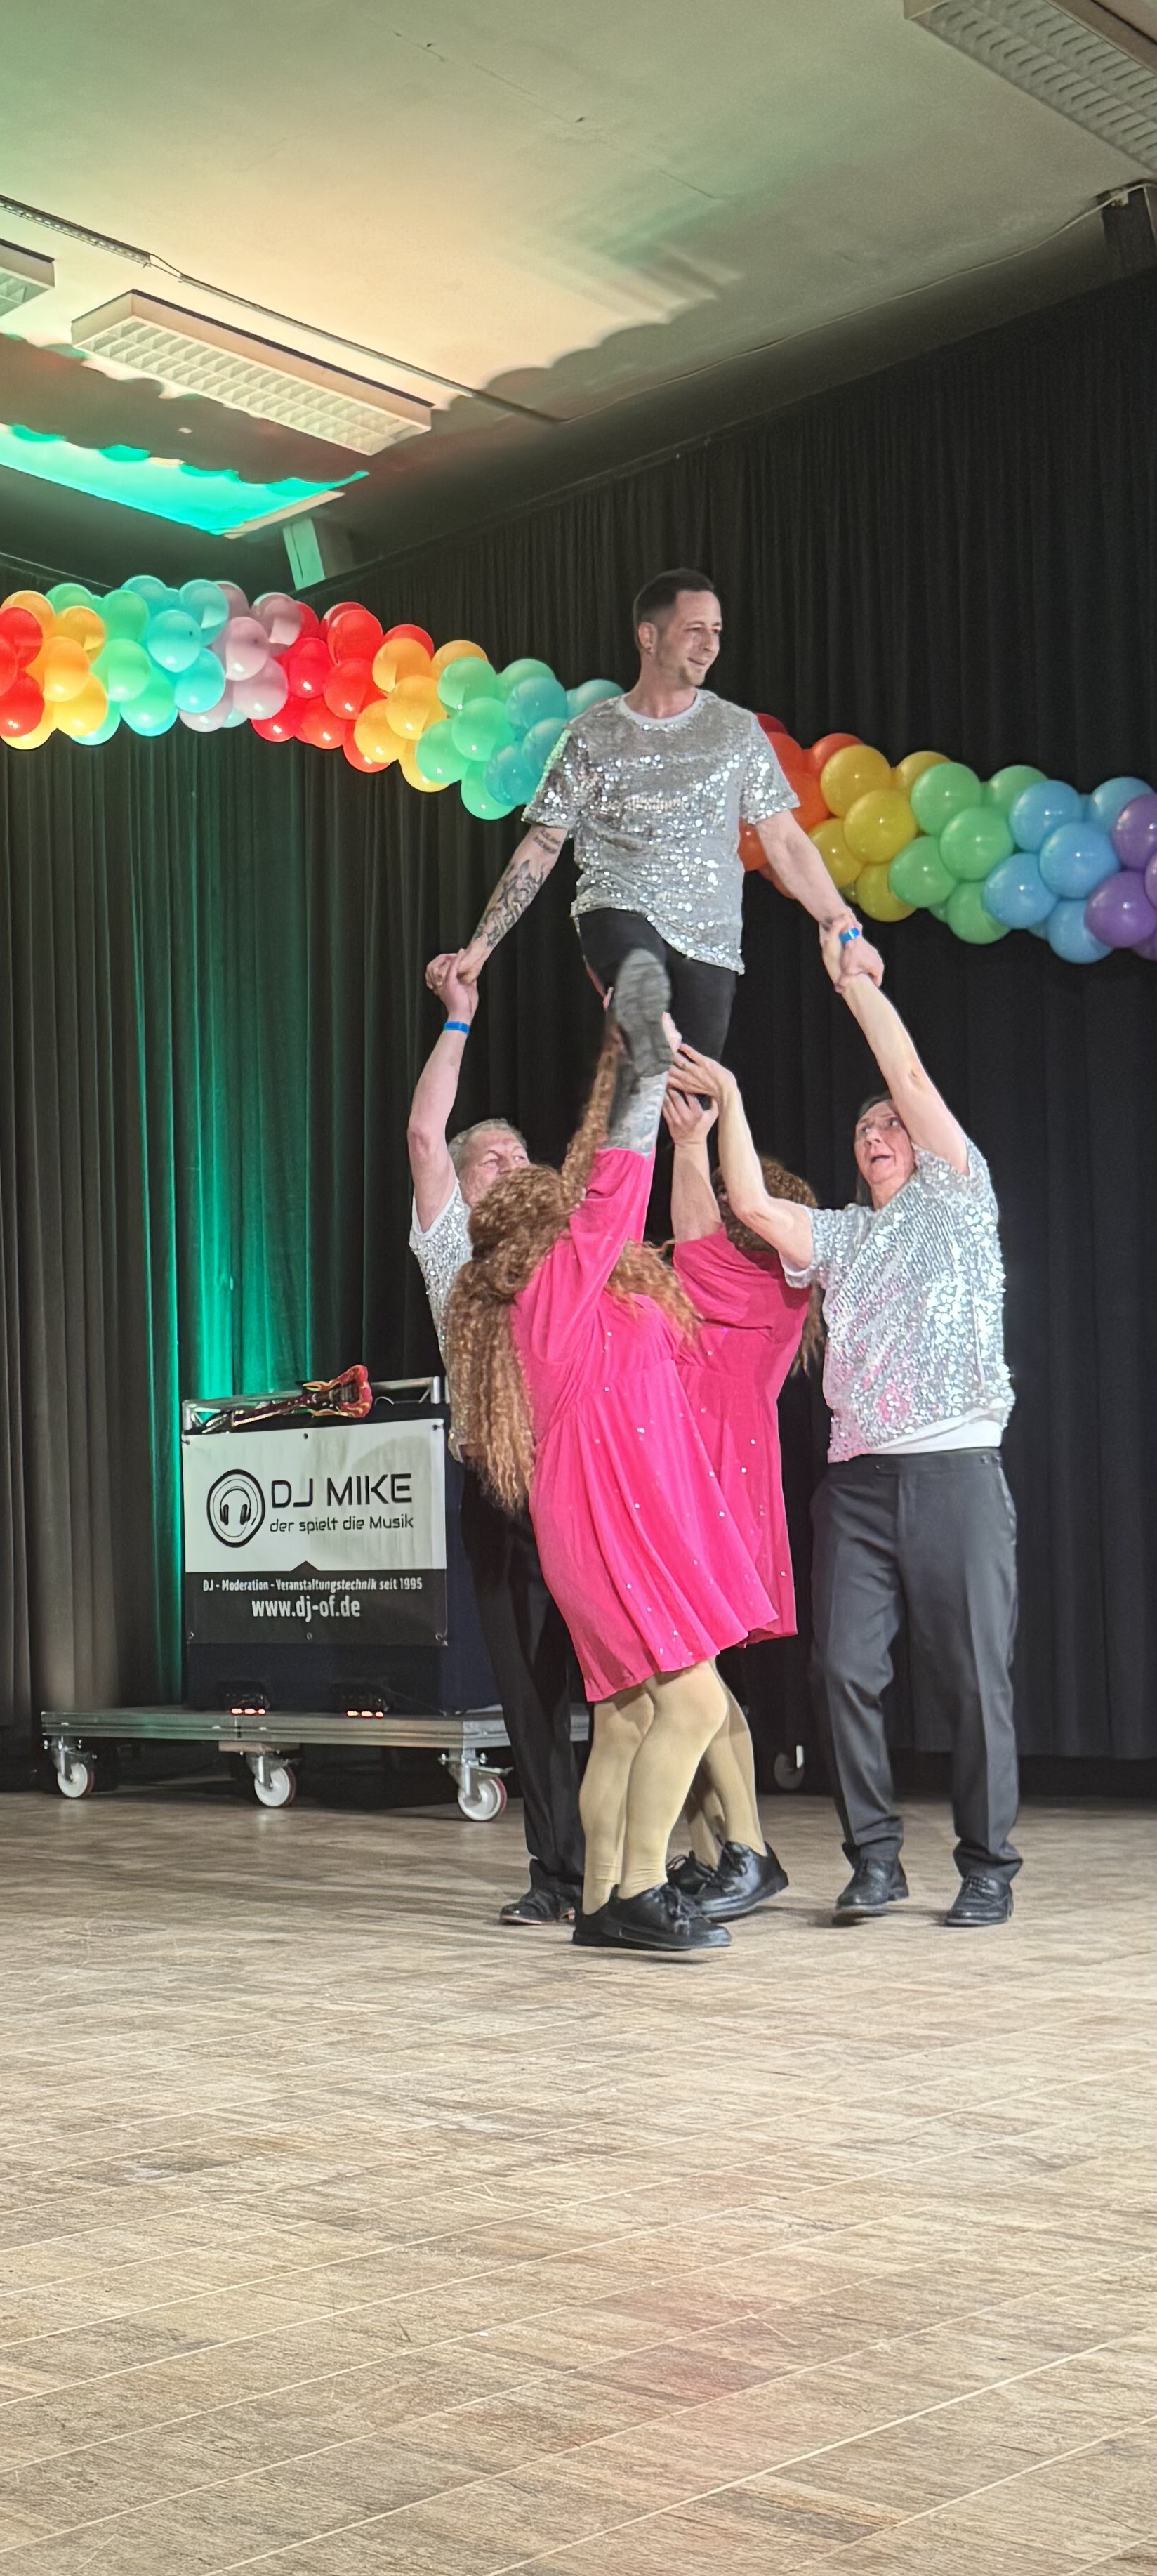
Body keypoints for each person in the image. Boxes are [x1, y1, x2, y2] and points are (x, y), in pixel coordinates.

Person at [675, 947, 1019, 1928]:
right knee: (840, 1673)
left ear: (920, 1140)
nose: (877, 1133)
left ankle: (987, 1867)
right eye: (863, 1128)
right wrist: (730, 1104)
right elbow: (749, 1205)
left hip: (954, 1471)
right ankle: (874, 1861)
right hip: (860, 1483)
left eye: (890, 1125)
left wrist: (856, 986)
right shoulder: (841, 1237)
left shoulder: (959, 1198)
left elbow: (904, 1072)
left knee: (973, 1679)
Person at [443, 980, 768, 1956]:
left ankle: (598, 1901)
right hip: (613, 1523)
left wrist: (626, 1056)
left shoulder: (570, 1298)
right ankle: (637, 1889)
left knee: (626, 1721)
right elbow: (614, 1175)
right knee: (694, 1703)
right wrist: (637, 1057)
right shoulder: (557, 1280)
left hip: (603, 1521)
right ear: (549, 1223)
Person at [425, 571, 877, 1051]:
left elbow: (784, 839)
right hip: (618, 907)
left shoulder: (736, 731)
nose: (709, 645)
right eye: (694, 630)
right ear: (648, 636)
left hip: (710, 938)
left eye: (716, 631)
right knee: (640, 985)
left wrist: (843, 928)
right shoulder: (590, 734)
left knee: (689, 1088)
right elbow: (542, 844)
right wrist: (479, 948)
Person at [404, 968, 585, 1923]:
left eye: (520, 1155)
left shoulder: (568, 1255)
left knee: (629, 1675)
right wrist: (461, 1016)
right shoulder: (450, 1251)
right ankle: (558, 1875)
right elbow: (423, 1132)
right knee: (529, 1693)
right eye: (488, 1160)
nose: (509, 1165)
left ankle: (666, 1859)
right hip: (496, 1485)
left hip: (580, 1482)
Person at [659, 1075, 821, 1921]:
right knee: (682, 1673)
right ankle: (712, 1851)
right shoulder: (724, 1282)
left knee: (693, 1671)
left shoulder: (772, 1282)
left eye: (738, 1201)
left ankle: (749, 1847)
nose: (725, 1209)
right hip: (692, 1471)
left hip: (721, 1478)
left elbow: (694, 1243)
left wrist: (690, 1144)